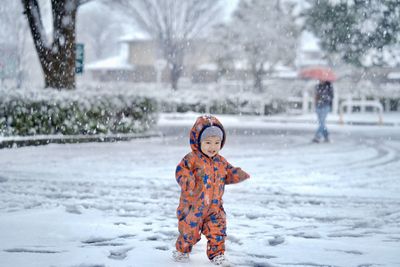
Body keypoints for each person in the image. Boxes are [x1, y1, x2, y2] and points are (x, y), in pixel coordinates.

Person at [172, 115, 250, 266]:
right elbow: (181, 171)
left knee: (218, 230)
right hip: (193, 208)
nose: (212, 147)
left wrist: (237, 174)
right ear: (198, 142)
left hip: (214, 207)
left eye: (216, 142)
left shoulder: (221, 161)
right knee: (189, 232)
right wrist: (188, 180)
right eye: (208, 142)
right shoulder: (192, 159)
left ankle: (217, 254)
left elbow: (228, 173)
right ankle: (182, 250)